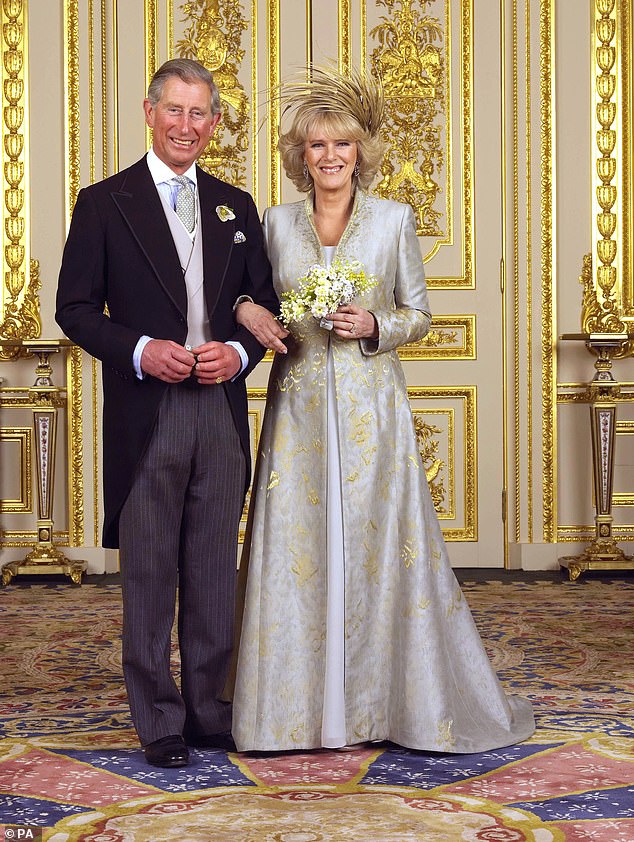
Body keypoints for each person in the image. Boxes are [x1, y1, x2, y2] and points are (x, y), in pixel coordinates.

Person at [231, 66, 535, 753]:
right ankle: (289, 716)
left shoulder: (394, 219)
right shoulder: (274, 225)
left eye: (341, 145)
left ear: (360, 152)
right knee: (298, 552)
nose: (330, 157)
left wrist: (375, 325)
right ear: (299, 156)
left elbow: (420, 315)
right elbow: (246, 298)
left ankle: (381, 708)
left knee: (374, 550)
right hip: (299, 414)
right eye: (316, 147)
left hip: (374, 416)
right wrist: (256, 312)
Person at [55, 59, 280, 768]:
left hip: (217, 408)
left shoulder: (235, 204)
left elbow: (261, 305)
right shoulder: (103, 202)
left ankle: (208, 708)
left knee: (214, 568)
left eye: (199, 114)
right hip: (147, 411)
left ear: (214, 125)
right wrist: (143, 349)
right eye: (174, 111)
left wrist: (240, 357)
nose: (187, 126)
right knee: (151, 572)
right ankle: (158, 718)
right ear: (148, 113)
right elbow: (75, 310)